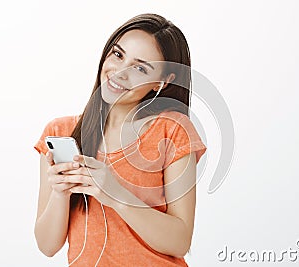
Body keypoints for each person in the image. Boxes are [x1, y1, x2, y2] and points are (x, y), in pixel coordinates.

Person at [33, 13, 207, 267]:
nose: (119, 72)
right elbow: (47, 246)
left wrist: (115, 194)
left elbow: (180, 241)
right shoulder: (62, 131)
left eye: (139, 68)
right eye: (118, 55)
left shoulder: (172, 130)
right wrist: (60, 193)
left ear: (162, 82)